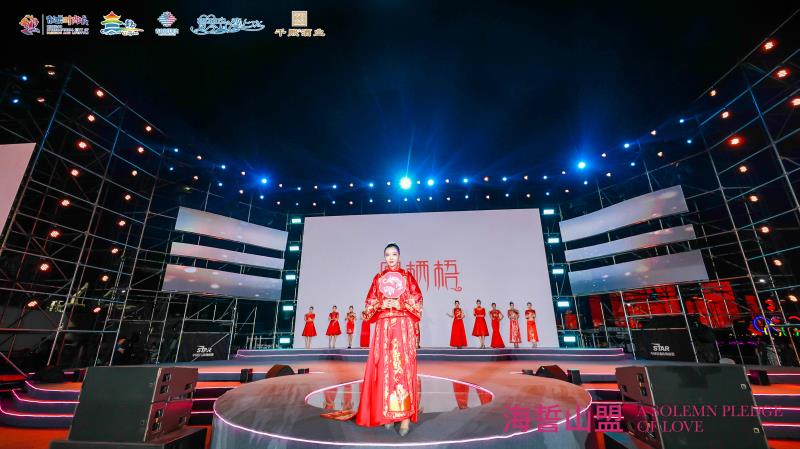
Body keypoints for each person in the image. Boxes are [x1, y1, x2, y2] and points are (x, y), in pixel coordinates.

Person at [355, 242, 423, 436]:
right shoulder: (379, 278)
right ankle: (387, 415)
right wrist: (381, 304)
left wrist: (401, 303)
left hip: (402, 326)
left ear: (399, 256)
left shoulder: (407, 277)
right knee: (385, 369)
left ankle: (405, 418)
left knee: (402, 368)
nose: (391, 258)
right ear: (384, 257)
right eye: (387, 254)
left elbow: (418, 301)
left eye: (394, 254)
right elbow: (369, 304)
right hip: (384, 327)